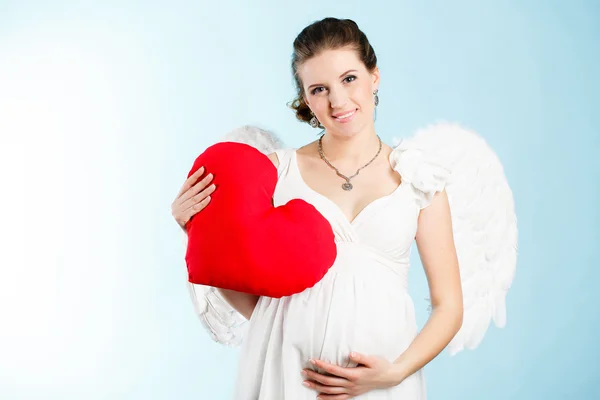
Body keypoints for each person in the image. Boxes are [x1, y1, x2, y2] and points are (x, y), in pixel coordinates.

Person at [173, 17, 464, 399]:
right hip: (285, 371)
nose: (338, 101)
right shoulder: (274, 171)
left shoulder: (418, 179)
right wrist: (195, 227)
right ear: (306, 100)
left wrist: (394, 373)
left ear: (374, 77)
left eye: (349, 79)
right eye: (319, 88)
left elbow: (449, 306)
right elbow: (231, 272)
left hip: (383, 379)